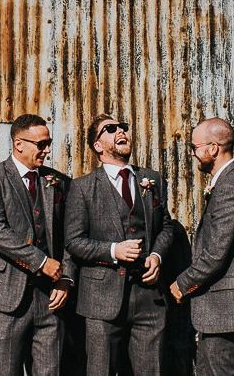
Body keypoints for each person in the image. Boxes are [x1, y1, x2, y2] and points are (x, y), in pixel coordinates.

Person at [65, 114, 174, 375]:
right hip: (102, 300)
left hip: (149, 298)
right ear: (98, 146)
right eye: (110, 129)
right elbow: (73, 241)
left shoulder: (151, 179)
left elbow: (167, 226)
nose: (121, 131)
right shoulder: (82, 188)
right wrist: (114, 250)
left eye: (123, 126)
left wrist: (157, 255)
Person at [0, 114, 75, 376]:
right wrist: (41, 261)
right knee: (6, 370)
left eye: (48, 143)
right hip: (5, 296)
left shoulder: (59, 181)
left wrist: (66, 279)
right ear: (19, 144)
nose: (47, 150)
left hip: (50, 297)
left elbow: (71, 237)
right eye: (41, 144)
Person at [170, 117, 234, 375]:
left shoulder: (230, 188)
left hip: (225, 313)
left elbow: (215, 255)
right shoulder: (233, 182)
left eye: (195, 148)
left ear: (212, 149)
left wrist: (182, 284)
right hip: (228, 313)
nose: (193, 154)